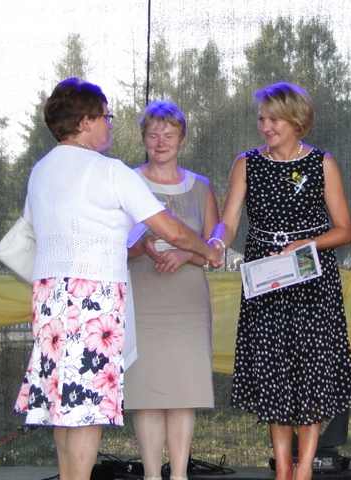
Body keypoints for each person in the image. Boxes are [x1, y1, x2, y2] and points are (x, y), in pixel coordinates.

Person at [12, 78, 221, 480]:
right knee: (87, 409)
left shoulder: (41, 170)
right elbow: (171, 230)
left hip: (49, 298)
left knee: (63, 406)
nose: (110, 124)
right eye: (106, 117)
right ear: (86, 121)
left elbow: (43, 230)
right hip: (93, 299)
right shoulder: (109, 170)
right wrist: (209, 250)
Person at [210, 82, 351, 480]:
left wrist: (306, 243)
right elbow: (228, 222)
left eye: (274, 119)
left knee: (310, 373)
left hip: (312, 282)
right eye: (262, 119)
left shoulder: (322, 163)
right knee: (274, 373)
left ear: (297, 120)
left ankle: (305, 467)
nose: (265, 126)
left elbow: (345, 230)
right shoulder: (246, 163)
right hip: (265, 281)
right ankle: (282, 467)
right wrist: (216, 241)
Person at [124, 100, 220, 480]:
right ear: (143, 139)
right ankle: (152, 475)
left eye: (169, 134)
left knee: (184, 392)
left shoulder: (202, 187)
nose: (161, 142)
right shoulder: (126, 181)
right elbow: (112, 246)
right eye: (153, 135)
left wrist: (185, 253)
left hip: (188, 302)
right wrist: (140, 248)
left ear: (182, 139)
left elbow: (214, 252)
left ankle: (179, 475)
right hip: (141, 296)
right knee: (146, 394)